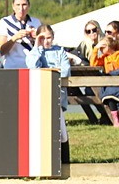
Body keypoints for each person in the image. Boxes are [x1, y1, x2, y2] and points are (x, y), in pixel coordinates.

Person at [26, 23, 84, 163]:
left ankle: (63, 162)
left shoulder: (60, 51)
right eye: (43, 38)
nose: (47, 41)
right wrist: (37, 48)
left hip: (57, 96)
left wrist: (46, 72)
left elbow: (65, 71)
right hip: (40, 95)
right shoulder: (35, 52)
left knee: (61, 131)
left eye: (49, 37)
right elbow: (32, 66)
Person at [0, 0, 42, 69]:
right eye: (18, 5)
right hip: (12, 68)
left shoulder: (36, 22)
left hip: (32, 67)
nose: (21, 8)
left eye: (24, 5)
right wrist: (15, 38)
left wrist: (37, 38)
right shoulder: (5, 22)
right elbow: (0, 51)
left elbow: (43, 47)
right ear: (13, 6)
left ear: (29, 6)